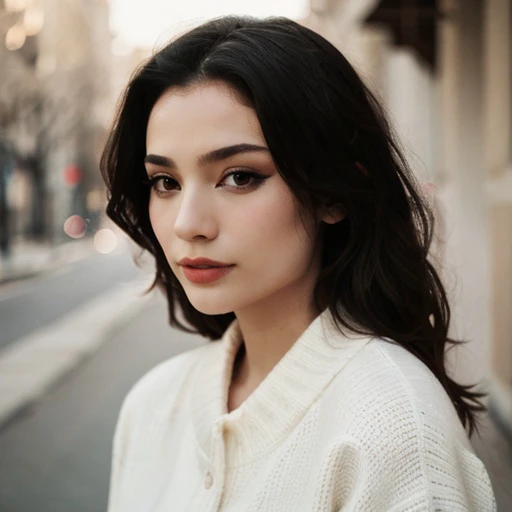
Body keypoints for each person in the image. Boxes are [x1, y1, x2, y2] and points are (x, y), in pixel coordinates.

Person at [101, 15, 496, 511]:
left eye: (239, 176)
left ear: (332, 192)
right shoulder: (151, 404)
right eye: (166, 182)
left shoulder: (395, 430)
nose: (188, 224)